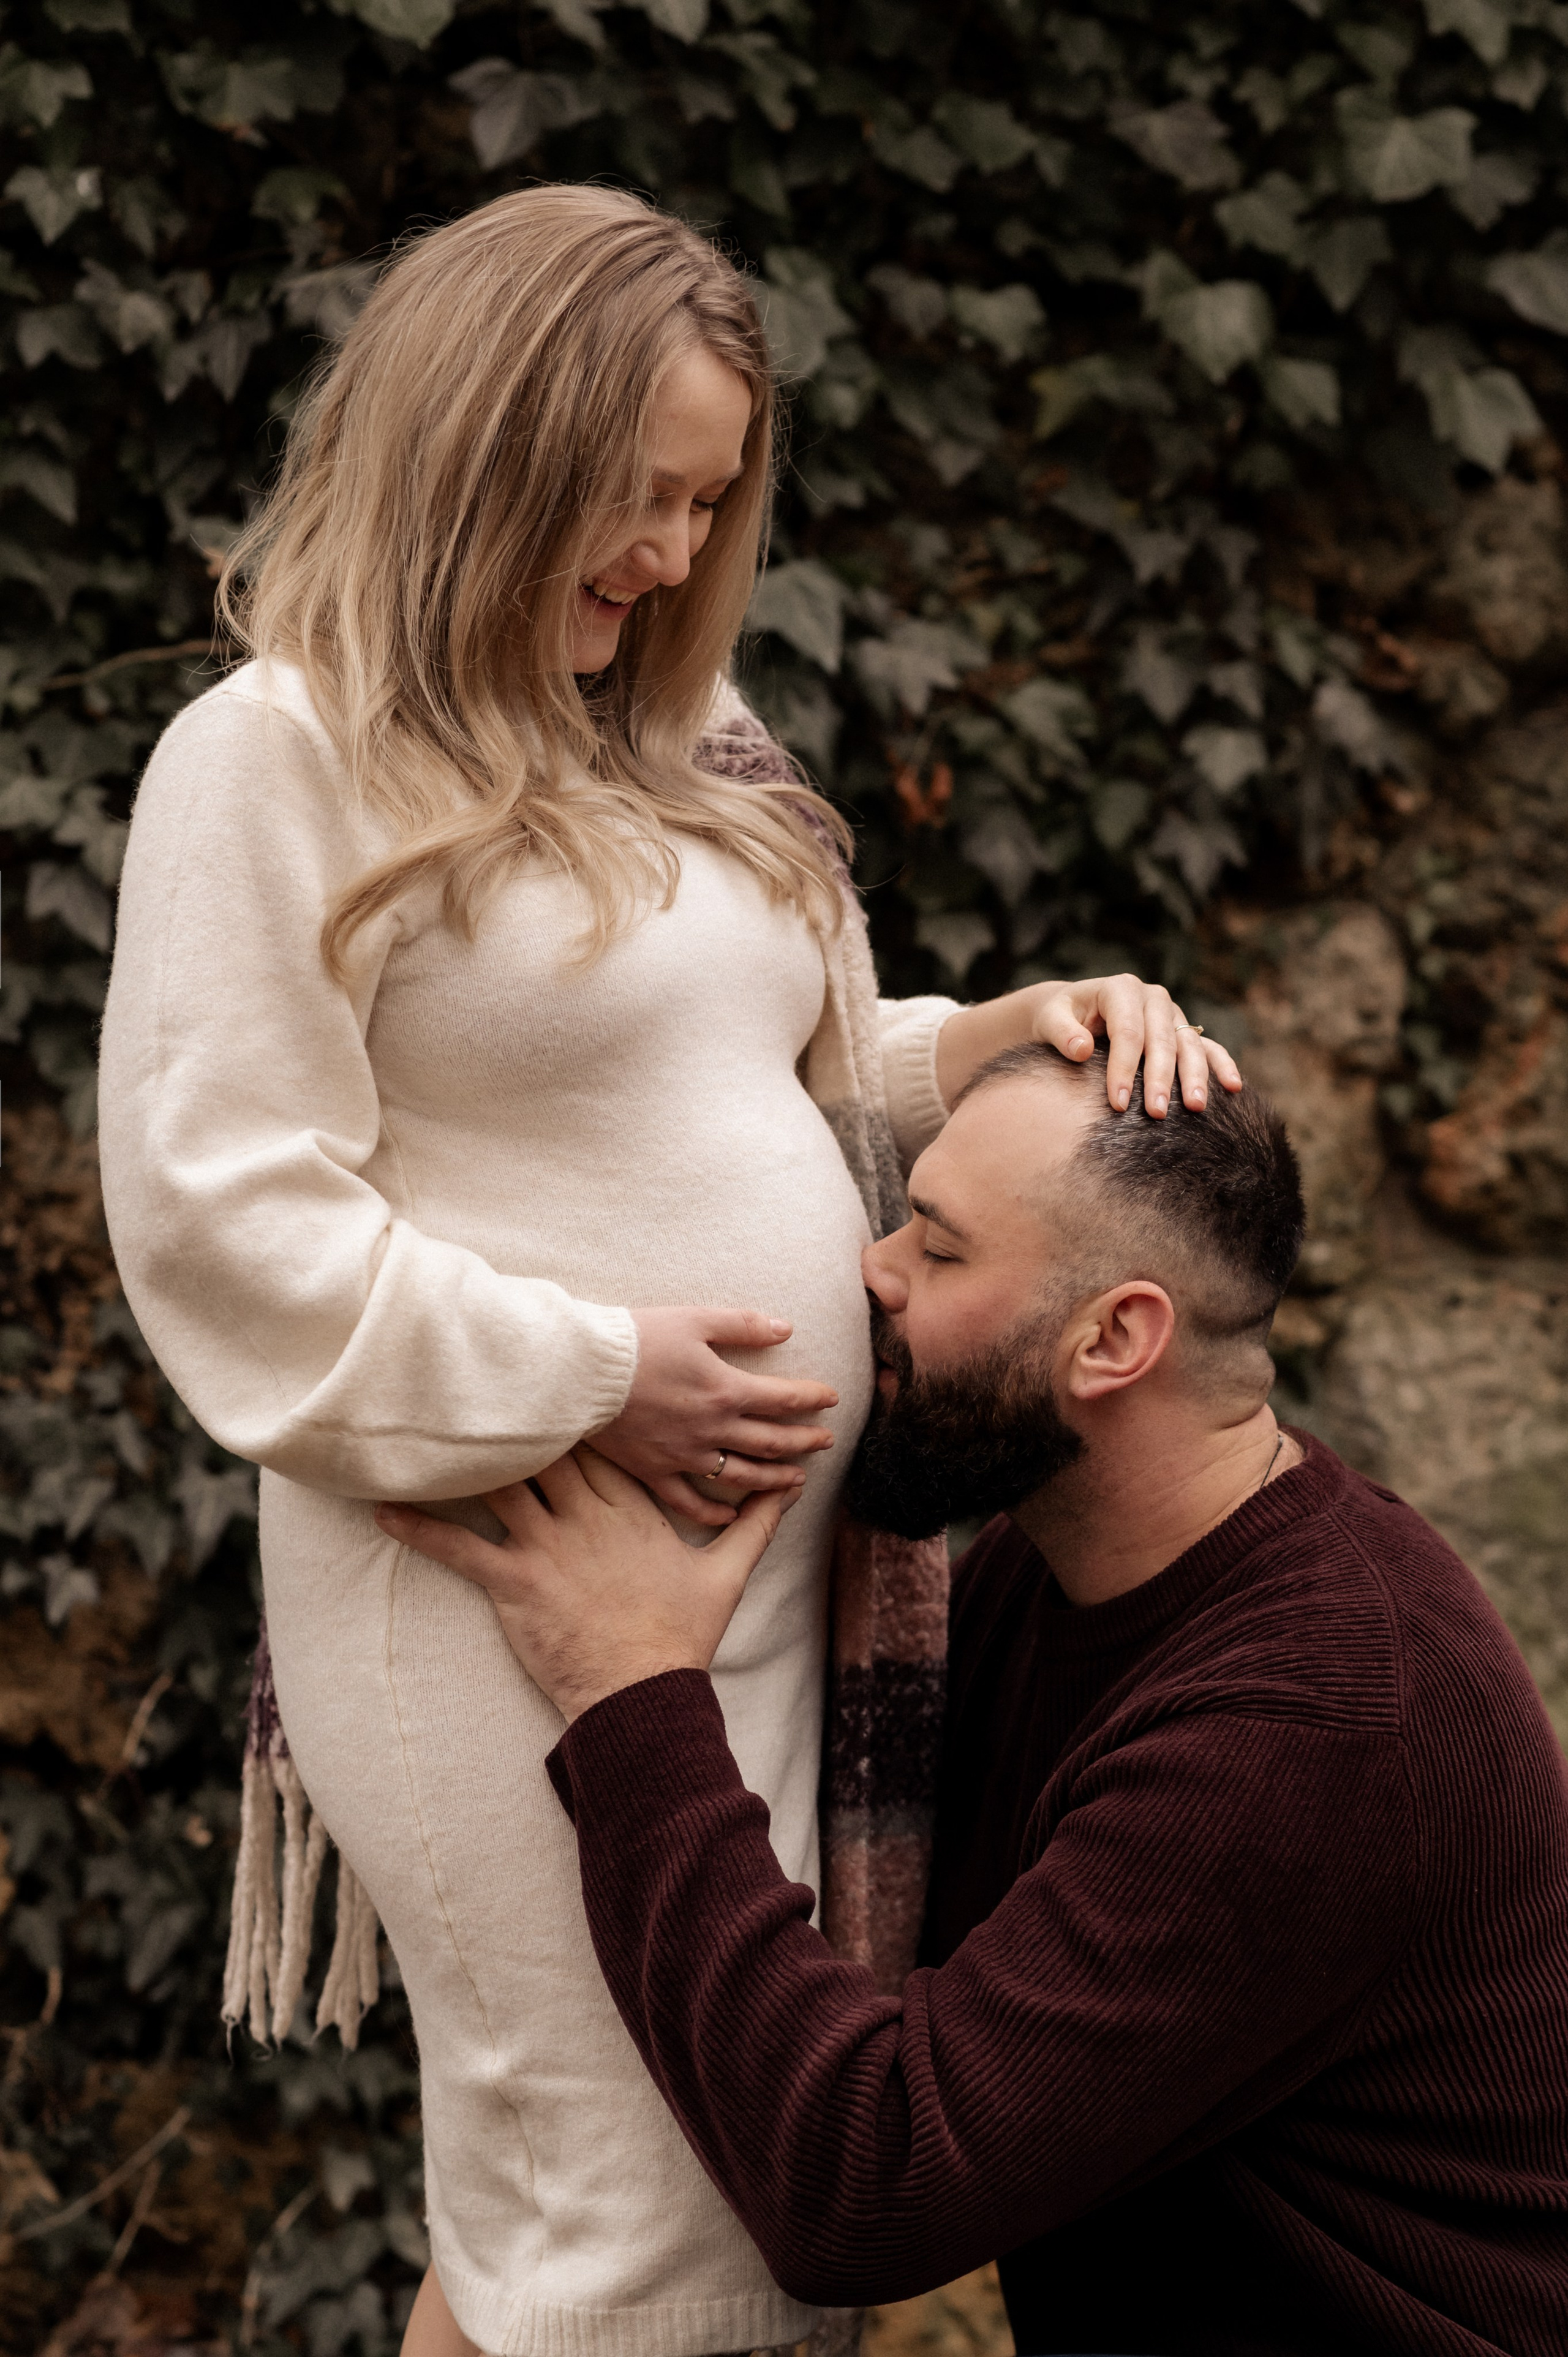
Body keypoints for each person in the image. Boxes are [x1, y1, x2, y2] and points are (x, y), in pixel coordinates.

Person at [95, 184, 1242, 2357]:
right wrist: (595, 1364)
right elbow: (220, 1207)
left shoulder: (687, 755)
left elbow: (782, 1078)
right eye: (633, 495)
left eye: (711, 499)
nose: (670, 547)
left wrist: (994, 1035)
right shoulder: (278, 752)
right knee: (651, 2218)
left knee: (635, 2203)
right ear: (490, 445)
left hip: (754, 1579)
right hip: (515, 1566)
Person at [383, 1043, 1568, 2357]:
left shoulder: (1312, 1719)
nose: (870, 1269)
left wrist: (629, 1687)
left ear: (1111, 1339)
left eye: (937, 1250)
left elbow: (866, 2186)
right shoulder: (1047, 1564)